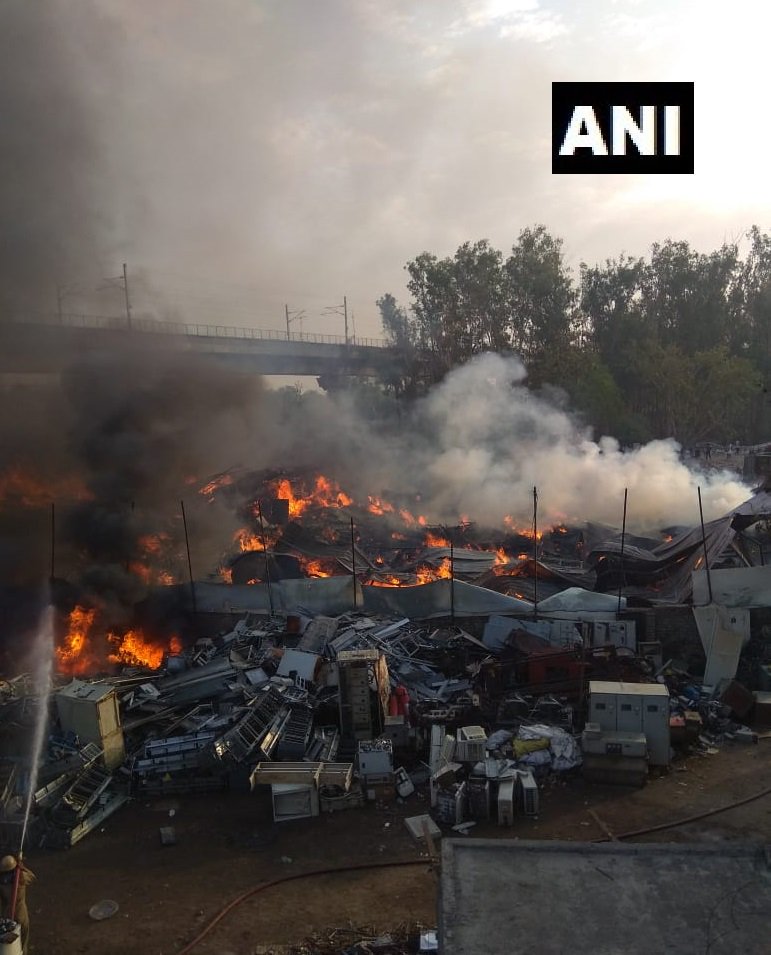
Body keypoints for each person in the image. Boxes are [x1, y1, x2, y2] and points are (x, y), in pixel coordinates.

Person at [0, 855, 35, 953]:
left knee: (8, 949)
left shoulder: (2, 885)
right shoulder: (22, 878)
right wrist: (22, 867)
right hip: (21, 915)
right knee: (23, 944)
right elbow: (32, 877)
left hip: (7, 918)